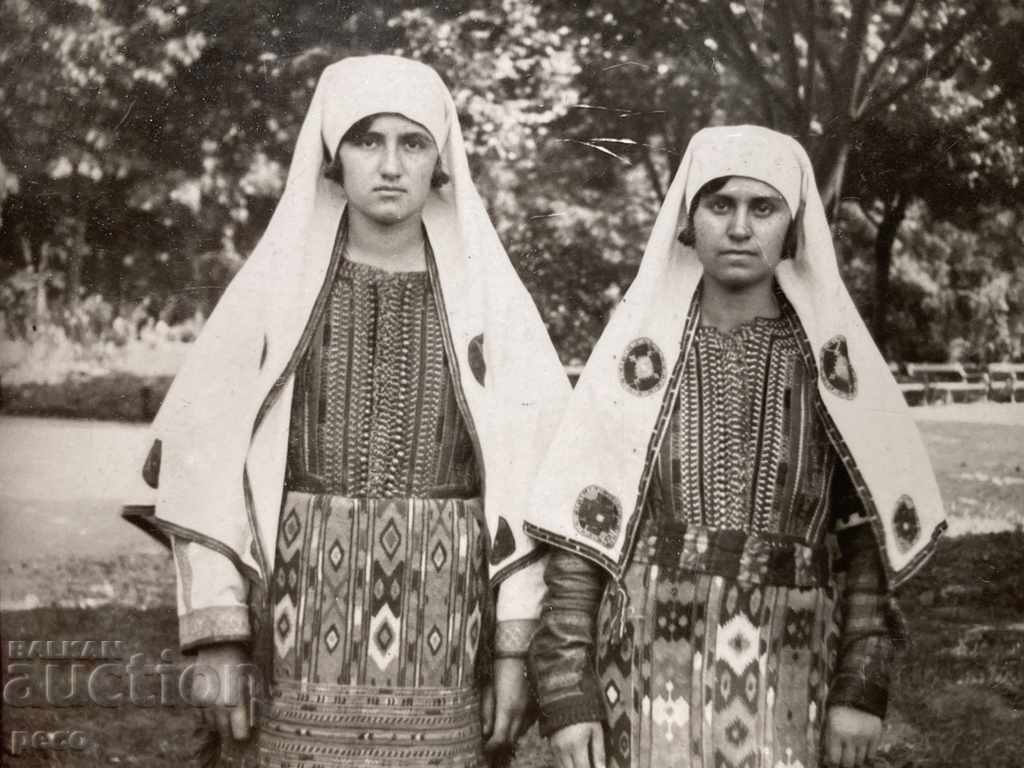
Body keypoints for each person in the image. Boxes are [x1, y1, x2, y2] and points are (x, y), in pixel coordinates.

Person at [124, 55, 569, 767]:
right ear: (333, 157)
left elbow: (534, 485)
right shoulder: (274, 297)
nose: (390, 164)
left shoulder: (492, 307)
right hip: (291, 629)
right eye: (367, 140)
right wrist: (220, 636)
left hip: (446, 636)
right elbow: (203, 471)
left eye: (413, 142)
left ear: (440, 160)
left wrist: (515, 651)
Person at [524, 125, 946, 768]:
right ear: (689, 221)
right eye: (720, 206)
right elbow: (584, 535)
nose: (741, 227)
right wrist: (565, 690)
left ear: (793, 224)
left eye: (763, 207)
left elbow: (866, 537)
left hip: (793, 662)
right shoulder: (639, 361)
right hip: (638, 671)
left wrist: (862, 684)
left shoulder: (833, 371)